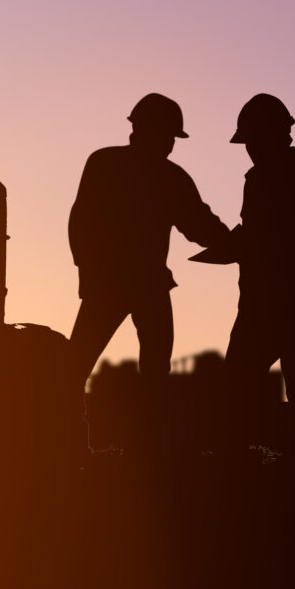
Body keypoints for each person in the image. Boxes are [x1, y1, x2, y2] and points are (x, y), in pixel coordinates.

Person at [66, 94, 230, 447]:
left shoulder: (111, 164)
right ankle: (135, 447)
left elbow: (197, 222)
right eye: (169, 135)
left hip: (126, 283)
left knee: (83, 365)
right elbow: (199, 224)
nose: (171, 144)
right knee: (96, 366)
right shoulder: (151, 173)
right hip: (127, 284)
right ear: (146, 131)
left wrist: (88, 273)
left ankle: (115, 446)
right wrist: (234, 243)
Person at [204, 93, 295, 452]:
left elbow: (272, 240)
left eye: (252, 142)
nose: (249, 151)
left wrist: (233, 248)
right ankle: (293, 465)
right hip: (291, 302)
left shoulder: (268, 181)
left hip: (273, 303)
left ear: (272, 137)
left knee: (244, 383)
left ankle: (240, 462)